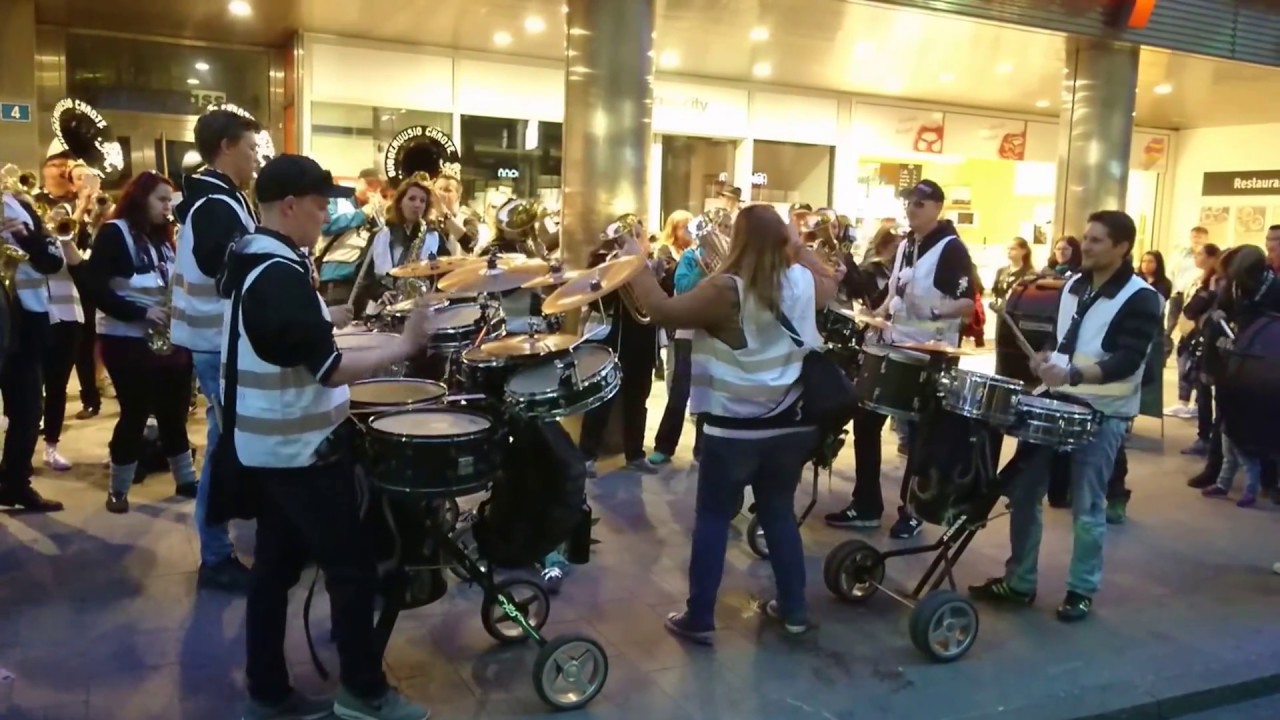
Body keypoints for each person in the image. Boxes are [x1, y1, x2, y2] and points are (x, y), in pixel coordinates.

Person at [219, 154, 432, 720]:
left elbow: (291, 339)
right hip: (301, 451)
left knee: (274, 571)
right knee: (351, 569)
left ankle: (267, 688)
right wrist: (406, 345)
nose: (324, 217)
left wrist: (333, 314)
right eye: (319, 207)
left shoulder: (261, 261)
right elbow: (327, 369)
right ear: (289, 207)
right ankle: (365, 693)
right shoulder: (277, 274)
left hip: (276, 448)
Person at [623, 204, 836, 641]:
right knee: (779, 513)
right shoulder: (800, 280)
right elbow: (832, 284)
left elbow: (662, 311)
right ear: (780, 240)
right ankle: (794, 611)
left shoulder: (725, 289)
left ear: (738, 239)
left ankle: (700, 616)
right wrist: (801, 249)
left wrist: (635, 262)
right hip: (791, 425)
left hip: (734, 428)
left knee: (715, 518)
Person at [970, 210, 1161, 623]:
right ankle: (1019, 581)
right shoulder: (1073, 285)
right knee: (1023, 492)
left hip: (1102, 411)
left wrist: (1073, 372)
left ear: (1121, 247)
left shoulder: (1141, 297)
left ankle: (1081, 589)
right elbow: (1064, 342)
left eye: (1096, 240)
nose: (1085, 246)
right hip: (1057, 401)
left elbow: (1127, 360)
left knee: (1087, 504)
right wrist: (1048, 359)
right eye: (1086, 237)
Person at [824, 180, 975, 538]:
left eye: (920, 204)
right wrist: (870, 312)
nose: (912, 208)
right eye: (909, 202)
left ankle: (912, 510)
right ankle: (866, 504)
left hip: (929, 354)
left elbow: (968, 303)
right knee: (865, 421)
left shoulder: (951, 249)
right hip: (894, 345)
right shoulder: (907, 244)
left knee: (920, 435)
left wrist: (937, 311)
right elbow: (893, 293)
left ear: (938, 206)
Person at [172, 108, 261, 592]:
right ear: (226, 146)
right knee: (227, 450)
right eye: (250, 149)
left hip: (217, 343)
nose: (255, 159)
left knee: (226, 445)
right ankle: (216, 554)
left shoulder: (221, 197)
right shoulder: (213, 204)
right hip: (216, 344)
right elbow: (220, 265)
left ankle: (221, 545)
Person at [84, 171, 196, 512]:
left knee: (174, 415)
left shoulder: (163, 237)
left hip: (165, 338)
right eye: (161, 199)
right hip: (126, 340)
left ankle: (186, 478)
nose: (168, 207)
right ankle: (118, 489)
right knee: (134, 414)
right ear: (140, 198)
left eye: (170, 200)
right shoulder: (113, 233)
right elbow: (93, 287)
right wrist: (138, 313)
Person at [0, 188, 67, 511]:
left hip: (26, 322)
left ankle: (14, 482)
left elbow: (53, 261)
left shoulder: (19, 204)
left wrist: (24, 235)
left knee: (27, 410)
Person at [649, 209, 702, 467]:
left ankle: (703, 449)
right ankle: (665, 445)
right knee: (679, 391)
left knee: (708, 393)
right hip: (687, 330)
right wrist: (703, 264)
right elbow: (683, 288)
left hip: (713, 331)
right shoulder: (690, 257)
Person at [348, 173, 438, 318]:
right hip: (382, 311)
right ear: (400, 202)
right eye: (412, 199)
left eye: (423, 201)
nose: (417, 205)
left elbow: (445, 274)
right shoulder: (380, 235)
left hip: (421, 312)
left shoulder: (434, 237)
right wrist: (380, 292)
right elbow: (362, 275)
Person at [1167, 243, 1221, 428]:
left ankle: (1199, 412)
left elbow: (1196, 307)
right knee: (1187, 366)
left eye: (1200, 254)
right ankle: (1185, 402)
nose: (1196, 257)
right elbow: (1189, 307)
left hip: (1203, 333)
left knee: (1197, 372)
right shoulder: (1200, 278)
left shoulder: (1216, 283)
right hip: (1192, 329)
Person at [991, 237, 1035, 307]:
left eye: (1013, 249)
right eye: (1008, 248)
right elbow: (995, 291)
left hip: (1019, 312)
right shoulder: (1001, 271)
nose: (1009, 251)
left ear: (1023, 251)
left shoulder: (1030, 273)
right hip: (1001, 312)